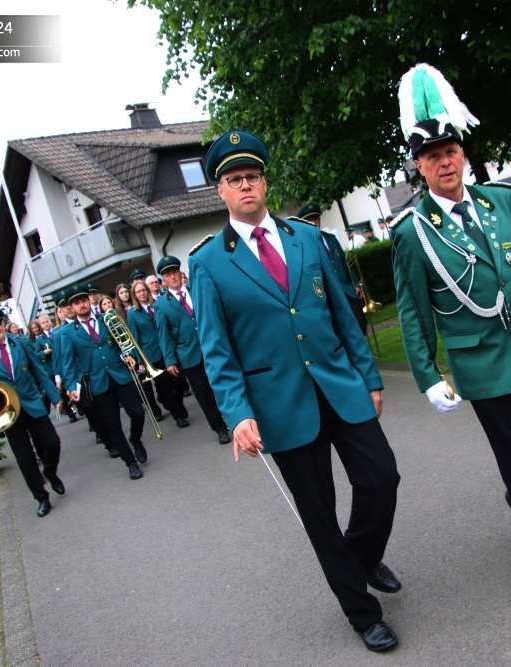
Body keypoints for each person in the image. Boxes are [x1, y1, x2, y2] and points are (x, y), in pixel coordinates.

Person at [190, 129, 402, 652]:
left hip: (339, 386)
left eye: (253, 176)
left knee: (382, 478)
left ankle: (362, 556)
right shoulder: (208, 262)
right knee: (319, 514)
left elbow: (342, 315)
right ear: (220, 190)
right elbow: (217, 350)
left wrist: (370, 378)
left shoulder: (307, 239)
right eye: (234, 179)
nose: (246, 185)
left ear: (265, 182)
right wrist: (237, 413)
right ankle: (362, 613)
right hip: (278, 405)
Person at [391, 63, 511, 597]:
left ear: (463, 153)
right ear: (419, 166)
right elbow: (413, 311)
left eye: (451, 151)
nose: (445, 161)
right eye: (433, 156)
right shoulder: (413, 232)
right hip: (480, 360)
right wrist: (427, 374)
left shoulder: (500, 202)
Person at [0, 307, 64, 517]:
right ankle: (41, 498)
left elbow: (38, 371)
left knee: (53, 443)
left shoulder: (20, 343)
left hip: (32, 402)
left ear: (3, 325)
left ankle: (50, 472)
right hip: (7, 412)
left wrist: (55, 397)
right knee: (25, 458)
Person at [56, 283, 146, 478]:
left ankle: (135, 438)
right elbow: (68, 363)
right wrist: (71, 386)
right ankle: (130, 462)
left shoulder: (106, 319)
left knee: (138, 413)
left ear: (89, 301)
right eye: (77, 303)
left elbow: (123, 343)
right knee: (113, 425)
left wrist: (129, 355)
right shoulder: (67, 332)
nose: (82, 305)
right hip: (97, 384)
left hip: (120, 375)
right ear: (72, 307)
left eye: (84, 301)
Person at [153, 255, 230, 443]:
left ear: (180, 273)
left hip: (212, 346)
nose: (173, 277)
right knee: (203, 393)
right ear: (164, 280)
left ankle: (236, 417)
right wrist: (170, 360)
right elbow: (164, 336)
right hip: (189, 355)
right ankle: (219, 427)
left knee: (224, 383)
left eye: (175, 272)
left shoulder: (196, 290)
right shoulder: (161, 305)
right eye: (168, 275)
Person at [292, 202, 368, 334]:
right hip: (329, 296)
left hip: (347, 291)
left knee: (361, 324)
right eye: (310, 220)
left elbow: (345, 263)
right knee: (341, 331)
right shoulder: (304, 245)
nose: (315, 222)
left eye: (316, 219)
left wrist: (356, 283)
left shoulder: (331, 238)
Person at [126, 281, 178, 424]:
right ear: (134, 295)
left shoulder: (157, 305)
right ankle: (176, 414)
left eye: (144, 290)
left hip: (165, 349)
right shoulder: (132, 313)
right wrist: (140, 361)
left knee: (174, 382)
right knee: (165, 385)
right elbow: (135, 338)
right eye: (138, 291)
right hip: (150, 354)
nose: (142, 293)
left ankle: (175, 406)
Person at [35, 313, 78, 423]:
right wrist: (44, 353)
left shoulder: (58, 332)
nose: (46, 324)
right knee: (61, 392)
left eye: (47, 321)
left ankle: (79, 405)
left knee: (71, 386)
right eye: (43, 323)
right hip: (50, 369)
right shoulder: (40, 339)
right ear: (40, 325)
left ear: (51, 321)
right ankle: (70, 413)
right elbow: (36, 354)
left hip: (62, 363)